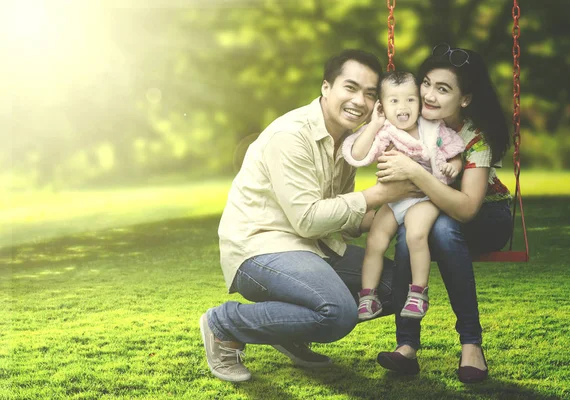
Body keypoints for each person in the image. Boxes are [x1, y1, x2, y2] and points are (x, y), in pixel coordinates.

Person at [199, 49, 419, 382]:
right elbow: (308, 219)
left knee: (392, 288)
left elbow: (341, 214)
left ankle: (288, 332)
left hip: (315, 247)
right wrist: (379, 195)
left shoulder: (348, 143)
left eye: (370, 94)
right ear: (326, 87)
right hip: (261, 248)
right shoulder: (290, 136)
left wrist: (400, 212)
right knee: (338, 313)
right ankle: (224, 324)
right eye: (350, 87)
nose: (359, 101)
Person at [374, 43, 513, 383]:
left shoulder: (475, 138)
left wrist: (415, 172)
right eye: (426, 83)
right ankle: (406, 347)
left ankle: (471, 344)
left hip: (487, 217)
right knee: (412, 231)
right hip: (434, 211)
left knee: (442, 229)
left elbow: (466, 208)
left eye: (443, 88)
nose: (429, 95)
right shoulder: (412, 123)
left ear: (464, 99)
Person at [341, 70, 464, 321]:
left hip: (423, 196)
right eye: (394, 101)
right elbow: (358, 155)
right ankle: (368, 296)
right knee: (375, 241)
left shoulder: (433, 128)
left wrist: (455, 166)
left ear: (419, 102)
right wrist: (374, 124)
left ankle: (418, 292)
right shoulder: (385, 131)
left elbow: (455, 151)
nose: (403, 107)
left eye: (410, 99)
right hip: (394, 199)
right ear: (382, 107)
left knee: (416, 235)